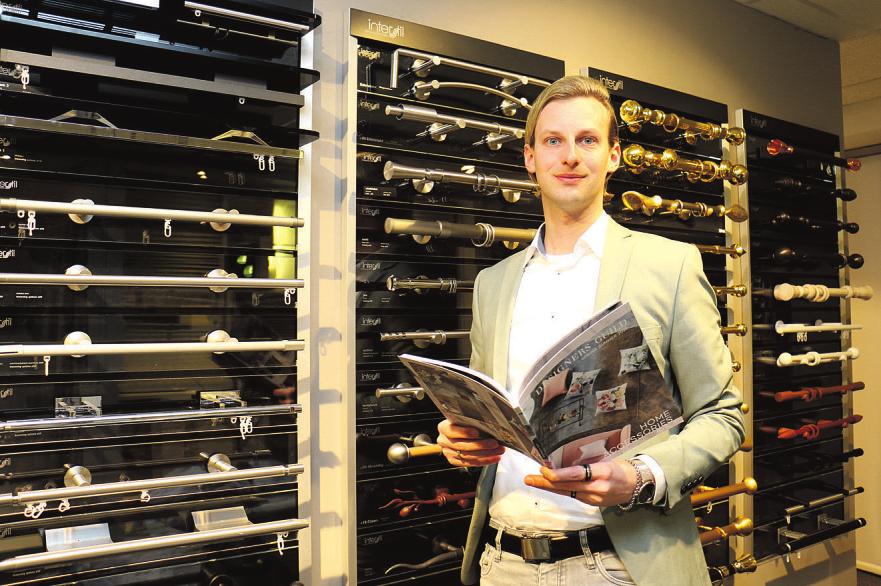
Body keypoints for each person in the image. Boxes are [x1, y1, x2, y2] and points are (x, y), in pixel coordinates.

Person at [436, 75, 745, 586]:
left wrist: (641, 475)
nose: (570, 156)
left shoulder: (668, 266)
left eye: (587, 140)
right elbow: (487, 409)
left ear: (614, 155)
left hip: (615, 564)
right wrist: (461, 438)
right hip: (501, 561)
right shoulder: (492, 284)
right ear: (530, 158)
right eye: (553, 141)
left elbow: (723, 417)